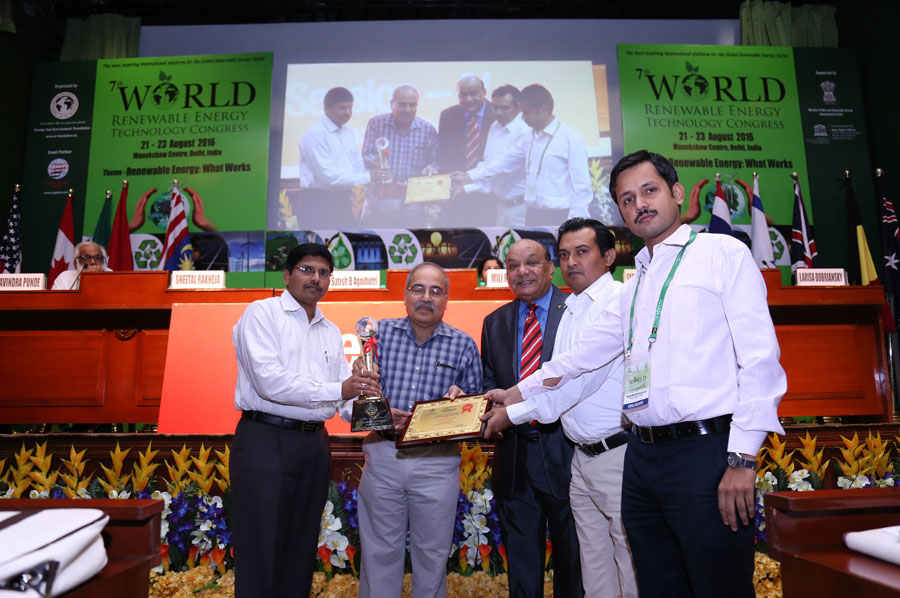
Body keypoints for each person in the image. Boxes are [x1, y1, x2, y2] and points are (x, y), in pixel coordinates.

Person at [487, 151, 787, 598]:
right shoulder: (635, 285)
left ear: (677, 193)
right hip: (643, 460)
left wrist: (742, 459)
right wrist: (515, 391)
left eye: (649, 191)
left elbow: (760, 360)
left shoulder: (721, 253)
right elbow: (580, 358)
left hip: (705, 451)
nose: (640, 204)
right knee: (657, 585)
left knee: (717, 584)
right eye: (627, 199)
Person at [483, 219, 637, 598]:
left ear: (609, 256)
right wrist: (502, 402)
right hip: (581, 460)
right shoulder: (571, 308)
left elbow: (576, 379)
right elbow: (560, 382)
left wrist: (512, 404)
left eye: (582, 252)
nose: (572, 262)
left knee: (629, 566)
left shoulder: (621, 299)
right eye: (566, 254)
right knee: (595, 570)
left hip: (615, 455)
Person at [230, 243, 381, 598]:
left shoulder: (330, 329)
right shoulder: (262, 313)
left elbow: (343, 400)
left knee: (300, 548)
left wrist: (377, 411)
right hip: (266, 439)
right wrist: (340, 388)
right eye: (307, 270)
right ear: (287, 275)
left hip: (314, 444)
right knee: (261, 547)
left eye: (324, 273)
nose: (316, 278)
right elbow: (270, 383)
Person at [355, 262, 482, 598]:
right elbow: (356, 395)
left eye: (436, 291)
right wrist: (375, 405)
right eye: (418, 289)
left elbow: (477, 413)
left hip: (437, 463)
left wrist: (460, 405)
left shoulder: (463, 345)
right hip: (384, 455)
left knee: (433, 556)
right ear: (405, 294)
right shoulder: (377, 336)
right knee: (379, 554)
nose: (426, 297)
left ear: (446, 299)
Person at [479, 239, 583, 598]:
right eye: (512, 265)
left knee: (574, 560)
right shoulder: (494, 322)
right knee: (522, 564)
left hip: (565, 452)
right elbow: (490, 384)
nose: (521, 272)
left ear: (551, 268)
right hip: (514, 458)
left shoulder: (575, 311)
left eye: (532, 263)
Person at [453, 84, 592, 226]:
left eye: (527, 113)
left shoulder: (571, 137)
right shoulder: (528, 136)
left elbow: (582, 185)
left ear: (544, 110)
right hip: (532, 212)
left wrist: (577, 222)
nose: (523, 117)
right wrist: (470, 176)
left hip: (560, 214)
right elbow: (504, 162)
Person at [361, 85, 439, 227]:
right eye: (402, 105)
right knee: (381, 237)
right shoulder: (376, 123)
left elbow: (435, 161)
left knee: (413, 238)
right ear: (392, 104)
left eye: (412, 105)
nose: (407, 109)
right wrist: (375, 162)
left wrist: (431, 168)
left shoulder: (428, 130)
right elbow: (366, 154)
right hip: (382, 198)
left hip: (414, 200)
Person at [298, 87, 374, 227]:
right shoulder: (315, 134)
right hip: (318, 203)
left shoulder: (348, 132)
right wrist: (369, 177)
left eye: (350, 107)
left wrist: (374, 169)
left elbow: (357, 167)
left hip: (344, 199)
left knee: (345, 240)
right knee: (319, 241)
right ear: (326, 109)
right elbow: (328, 177)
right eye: (342, 108)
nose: (347, 112)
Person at [459, 85, 530, 227]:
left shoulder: (525, 130)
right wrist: (467, 183)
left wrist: (470, 176)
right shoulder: (494, 126)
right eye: (495, 107)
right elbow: (488, 162)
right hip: (500, 205)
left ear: (518, 107)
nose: (498, 112)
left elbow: (504, 166)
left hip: (520, 208)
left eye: (505, 108)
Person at [437, 75, 494, 173]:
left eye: (473, 94)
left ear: (484, 92)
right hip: (456, 176)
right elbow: (443, 151)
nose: (468, 99)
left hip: (490, 176)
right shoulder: (448, 116)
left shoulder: (496, 113)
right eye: (463, 95)